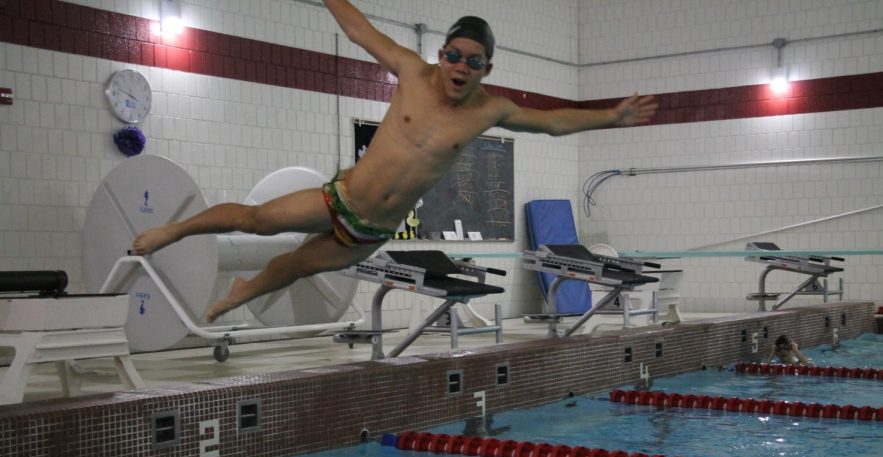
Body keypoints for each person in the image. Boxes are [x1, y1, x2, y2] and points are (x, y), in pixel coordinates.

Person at [131, 0, 658, 322]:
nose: (459, 66)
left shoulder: (488, 110)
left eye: (472, 62)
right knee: (256, 220)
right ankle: (171, 233)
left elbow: (552, 121)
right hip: (340, 198)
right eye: (453, 55)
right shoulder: (410, 71)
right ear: (440, 55)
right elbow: (359, 29)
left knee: (294, 267)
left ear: (485, 69)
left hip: (372, 230)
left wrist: (610, 117)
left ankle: (240, 294)